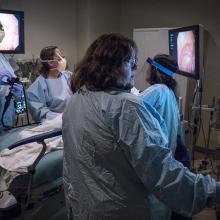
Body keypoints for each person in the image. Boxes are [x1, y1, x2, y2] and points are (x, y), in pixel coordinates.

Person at [62, 33, 220, 220]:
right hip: (120, 211)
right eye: (131, 61)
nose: (136, 68)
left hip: (84, 206)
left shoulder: (76, 100)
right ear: (111, 65)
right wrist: (212, 191)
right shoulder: (125, 107)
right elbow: (163, 175)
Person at [139, 54, 191, 220]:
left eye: (149, 66)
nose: (145, 70)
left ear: (155, 70)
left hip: (153, 161)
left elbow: (130, 110)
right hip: (165, 157)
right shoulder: (168, 92)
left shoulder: (157, 90)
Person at [27, 46, 72, 122]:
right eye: (59, 57)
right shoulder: (38, 86)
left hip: (72, 120)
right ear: (50, 62)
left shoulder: (69, 76)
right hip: (54, 124)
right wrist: (61, 118)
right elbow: (40, 112)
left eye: (62, 56)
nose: (63, 59)